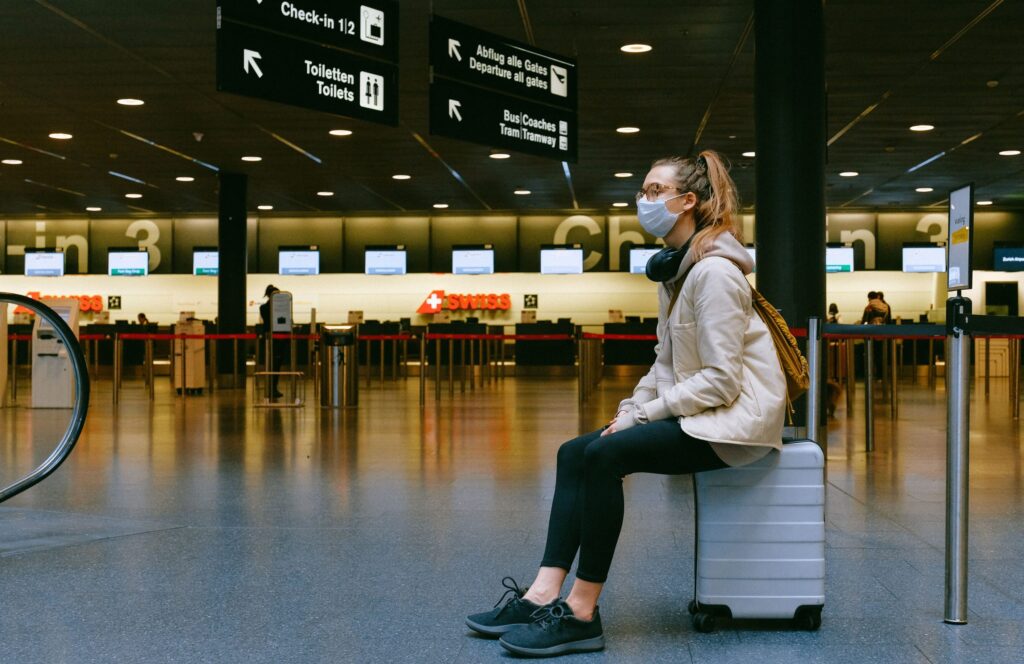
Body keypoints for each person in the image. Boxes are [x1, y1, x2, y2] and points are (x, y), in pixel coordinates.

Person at [465, 151, 787, 657]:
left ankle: (581, 612)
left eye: (655, 191)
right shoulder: (678, 273)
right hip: (701, 414)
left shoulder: (715, 275)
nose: (644, 200)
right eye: (643, 190)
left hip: (733, 426)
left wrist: (646, 416)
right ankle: (541, 593)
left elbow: (723, 381)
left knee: (604, 456)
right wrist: (629, 410)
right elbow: (666, 361)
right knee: (576, 451)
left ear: (688, 202)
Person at [258, 285, 285, 399]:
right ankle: (270, 388)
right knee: (271, 364)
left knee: (276, 365)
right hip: (270, 339)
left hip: (278, 339)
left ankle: (273, 387)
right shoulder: (264, 307)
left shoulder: (279, 308)